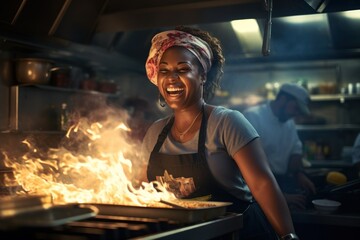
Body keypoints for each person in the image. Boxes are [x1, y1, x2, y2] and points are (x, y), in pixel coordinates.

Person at [141, 26, 299, 240]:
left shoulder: (227, 122)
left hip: (237, 234)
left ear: (202, 75)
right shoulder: (155, 132)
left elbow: (263, 185)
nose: (172, 78)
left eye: (182, 69)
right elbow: (142, 189)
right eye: (164, 70)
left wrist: (288, 236)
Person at [243, 83, 317, 210]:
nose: (296, 114)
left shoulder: (289, 123)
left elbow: (296, 149)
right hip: (256, 189)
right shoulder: (252, 117)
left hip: (281, 183)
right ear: (283, 99)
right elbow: (250, 166)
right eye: (295, 108)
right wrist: (281, 197)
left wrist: (299, 173)